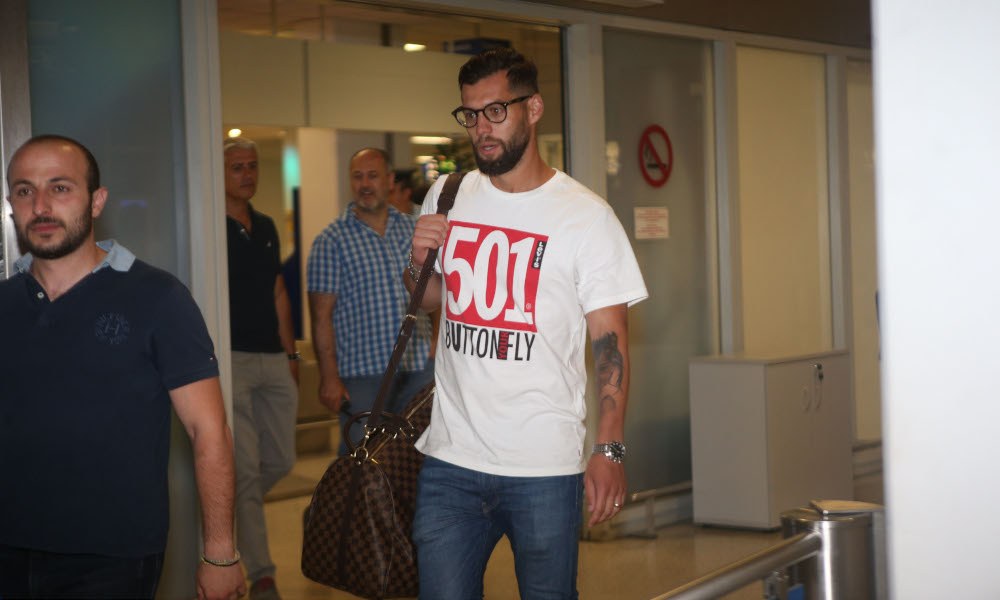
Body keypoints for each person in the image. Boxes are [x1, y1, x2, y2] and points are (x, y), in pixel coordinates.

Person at [405, 48, 648, 598]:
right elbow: (434, 300)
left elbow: (610, 345)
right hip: (450, 459)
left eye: (496, 111)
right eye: (470, 114)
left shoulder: (586, 217)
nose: (481, 128)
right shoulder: (447, 195)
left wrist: (608, 450)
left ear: (533, 109)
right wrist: (418, 265)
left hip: (543, 464)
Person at [0, 134, 245, 600]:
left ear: (97, 201)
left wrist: (220, 552)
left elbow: (209, 431)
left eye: (60, 187)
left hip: (113, 558)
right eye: (25, 190)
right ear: (11, 205)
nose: (41, 205)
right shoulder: (4, 304)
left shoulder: (158, 298)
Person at [306, 148, 435, 455]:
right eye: (358, 176)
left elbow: (436, 289)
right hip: (363, 374)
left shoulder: (413, 230)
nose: (365, 184)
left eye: (373, 176)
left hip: (418, 366)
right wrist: (329, 377)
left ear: (389, 180)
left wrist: (436, 344)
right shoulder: (331, 241)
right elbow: (321, 317)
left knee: (418, 456)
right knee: (361, 459)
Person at [223, 137, 299, 600]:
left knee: (282, 460)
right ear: (220, 173)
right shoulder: (212, 226)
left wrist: (291, 355)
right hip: (230, 358)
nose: (247, 174)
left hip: (272, 358)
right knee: (247, 471)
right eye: (237, 167)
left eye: (252, 166)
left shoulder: (267, 225)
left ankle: (227, 507)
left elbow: (277, 292)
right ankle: (263, 575)